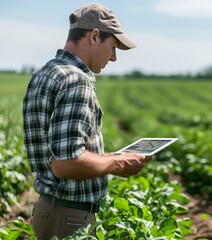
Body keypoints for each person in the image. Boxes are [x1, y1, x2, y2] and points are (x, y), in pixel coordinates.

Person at [22, 3, 150, 239]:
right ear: (94, 36)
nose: (113, 58)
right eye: (113, 47)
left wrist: (114, 156)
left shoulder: (45, 72)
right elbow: (66, 163)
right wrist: (117, 166)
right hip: (69, 218)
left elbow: (59, 152)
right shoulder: (76, 80)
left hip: (50, 210)